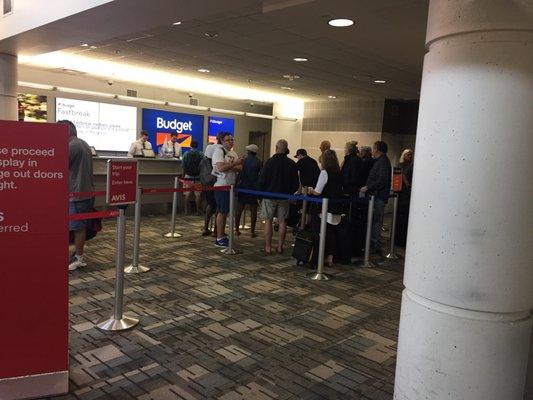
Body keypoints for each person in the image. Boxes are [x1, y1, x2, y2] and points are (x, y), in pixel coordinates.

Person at [60, 120, 95, 271]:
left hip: (77, 193)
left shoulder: (70, 146)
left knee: (78, 227)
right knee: (79, 226)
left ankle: (79, 258)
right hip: (85, 191)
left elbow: (60, 165)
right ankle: (77, 254)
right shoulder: (84, 143)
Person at [258, 139, 299, 254]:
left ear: (276, 148)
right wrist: (289, 192)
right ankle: (280, 247)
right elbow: (296, 183)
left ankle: (268, 246)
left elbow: (262, 180)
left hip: (269, 195)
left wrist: (261, 193)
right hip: (284, 196)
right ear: (286, 149)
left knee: (268, 221)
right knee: (282, 221)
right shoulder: (291, 163)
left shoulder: (269, 162)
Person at [308, 149, 344, 267]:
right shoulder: (339, 171)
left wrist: (310, 190)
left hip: (326, 207)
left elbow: (318, 191)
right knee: (333, 232)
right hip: (337, 206)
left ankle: (322, 257)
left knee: (324, 233)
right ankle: (331, 257)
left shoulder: (324, 172)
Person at [360, 141, 392, 252]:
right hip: (377, 195)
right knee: (375, 220)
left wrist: (368, 187)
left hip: (378, 196)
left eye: (374, 148)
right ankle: (374, 242)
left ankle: (375, 243)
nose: (372, 151)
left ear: (377, 150)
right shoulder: (381, 161)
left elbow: (382, 180)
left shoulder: (382, 162)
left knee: (376, 221)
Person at [212, 132, 242, 247]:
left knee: (225, 212)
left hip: (231, 186)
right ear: (222, 141)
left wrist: (233, 165)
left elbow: (240, 168)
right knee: (222, 212)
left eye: (232, 139)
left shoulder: (233, 153)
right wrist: (235, 164)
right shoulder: (219, 151)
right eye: (228, 140)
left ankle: (222, 234)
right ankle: (219, 237)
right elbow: (221, 168)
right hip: (221, 186)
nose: (231, 141)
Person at [235, 144, 262, 238]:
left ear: (249, 152)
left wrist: (235, 186)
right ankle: (252, 231)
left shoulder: (244, 161)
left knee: (239, 209)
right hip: (253, 188)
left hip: (243, 186)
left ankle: (237, 230)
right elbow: (260, 175)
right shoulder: (259, 161)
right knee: (253, 209)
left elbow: (239, 174)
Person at [396, 149, 414, 246]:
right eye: (408, 155)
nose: (409, 156)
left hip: (407, 194)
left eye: (411, 155)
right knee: (399, 217)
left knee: (405, 217)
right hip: (401, 193)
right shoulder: (400, 166)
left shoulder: (413, 166)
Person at [200, 143, 218, 236]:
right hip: (216, 185)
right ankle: (216, 230)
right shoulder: (216, 161)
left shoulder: (203, 161)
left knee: (210, 205)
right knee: (218, 207)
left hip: (206, 185)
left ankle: (205, 227)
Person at [181, 140, 203, 215]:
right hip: (198, 177)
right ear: (197, 146)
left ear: (190, 145)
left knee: (187, 194)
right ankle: (198, 211)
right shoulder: (201, 154)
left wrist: (183, 177)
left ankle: (186, 210)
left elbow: (183, 166)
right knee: (198, 194)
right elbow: (202, 166)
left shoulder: (186, 154)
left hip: (188, 176)